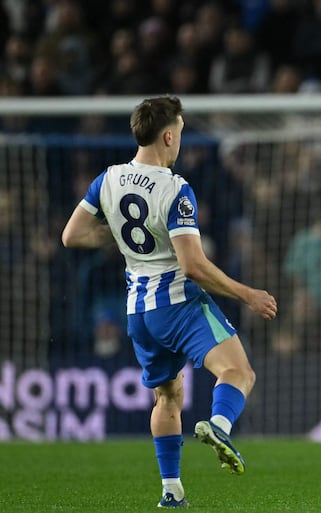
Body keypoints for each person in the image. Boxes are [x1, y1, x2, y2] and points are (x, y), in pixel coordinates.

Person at [61, 95, 277, 508]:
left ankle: (171, 490)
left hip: (139, 312)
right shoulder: (176, 189)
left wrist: (115, 235)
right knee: (238, 371)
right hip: (178, 303)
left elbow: (71, 236)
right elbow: (193, 266)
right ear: (167, 136)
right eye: (179, 131)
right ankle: (219, 424)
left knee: (167, 397)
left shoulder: (108, 179)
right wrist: (247, 294)